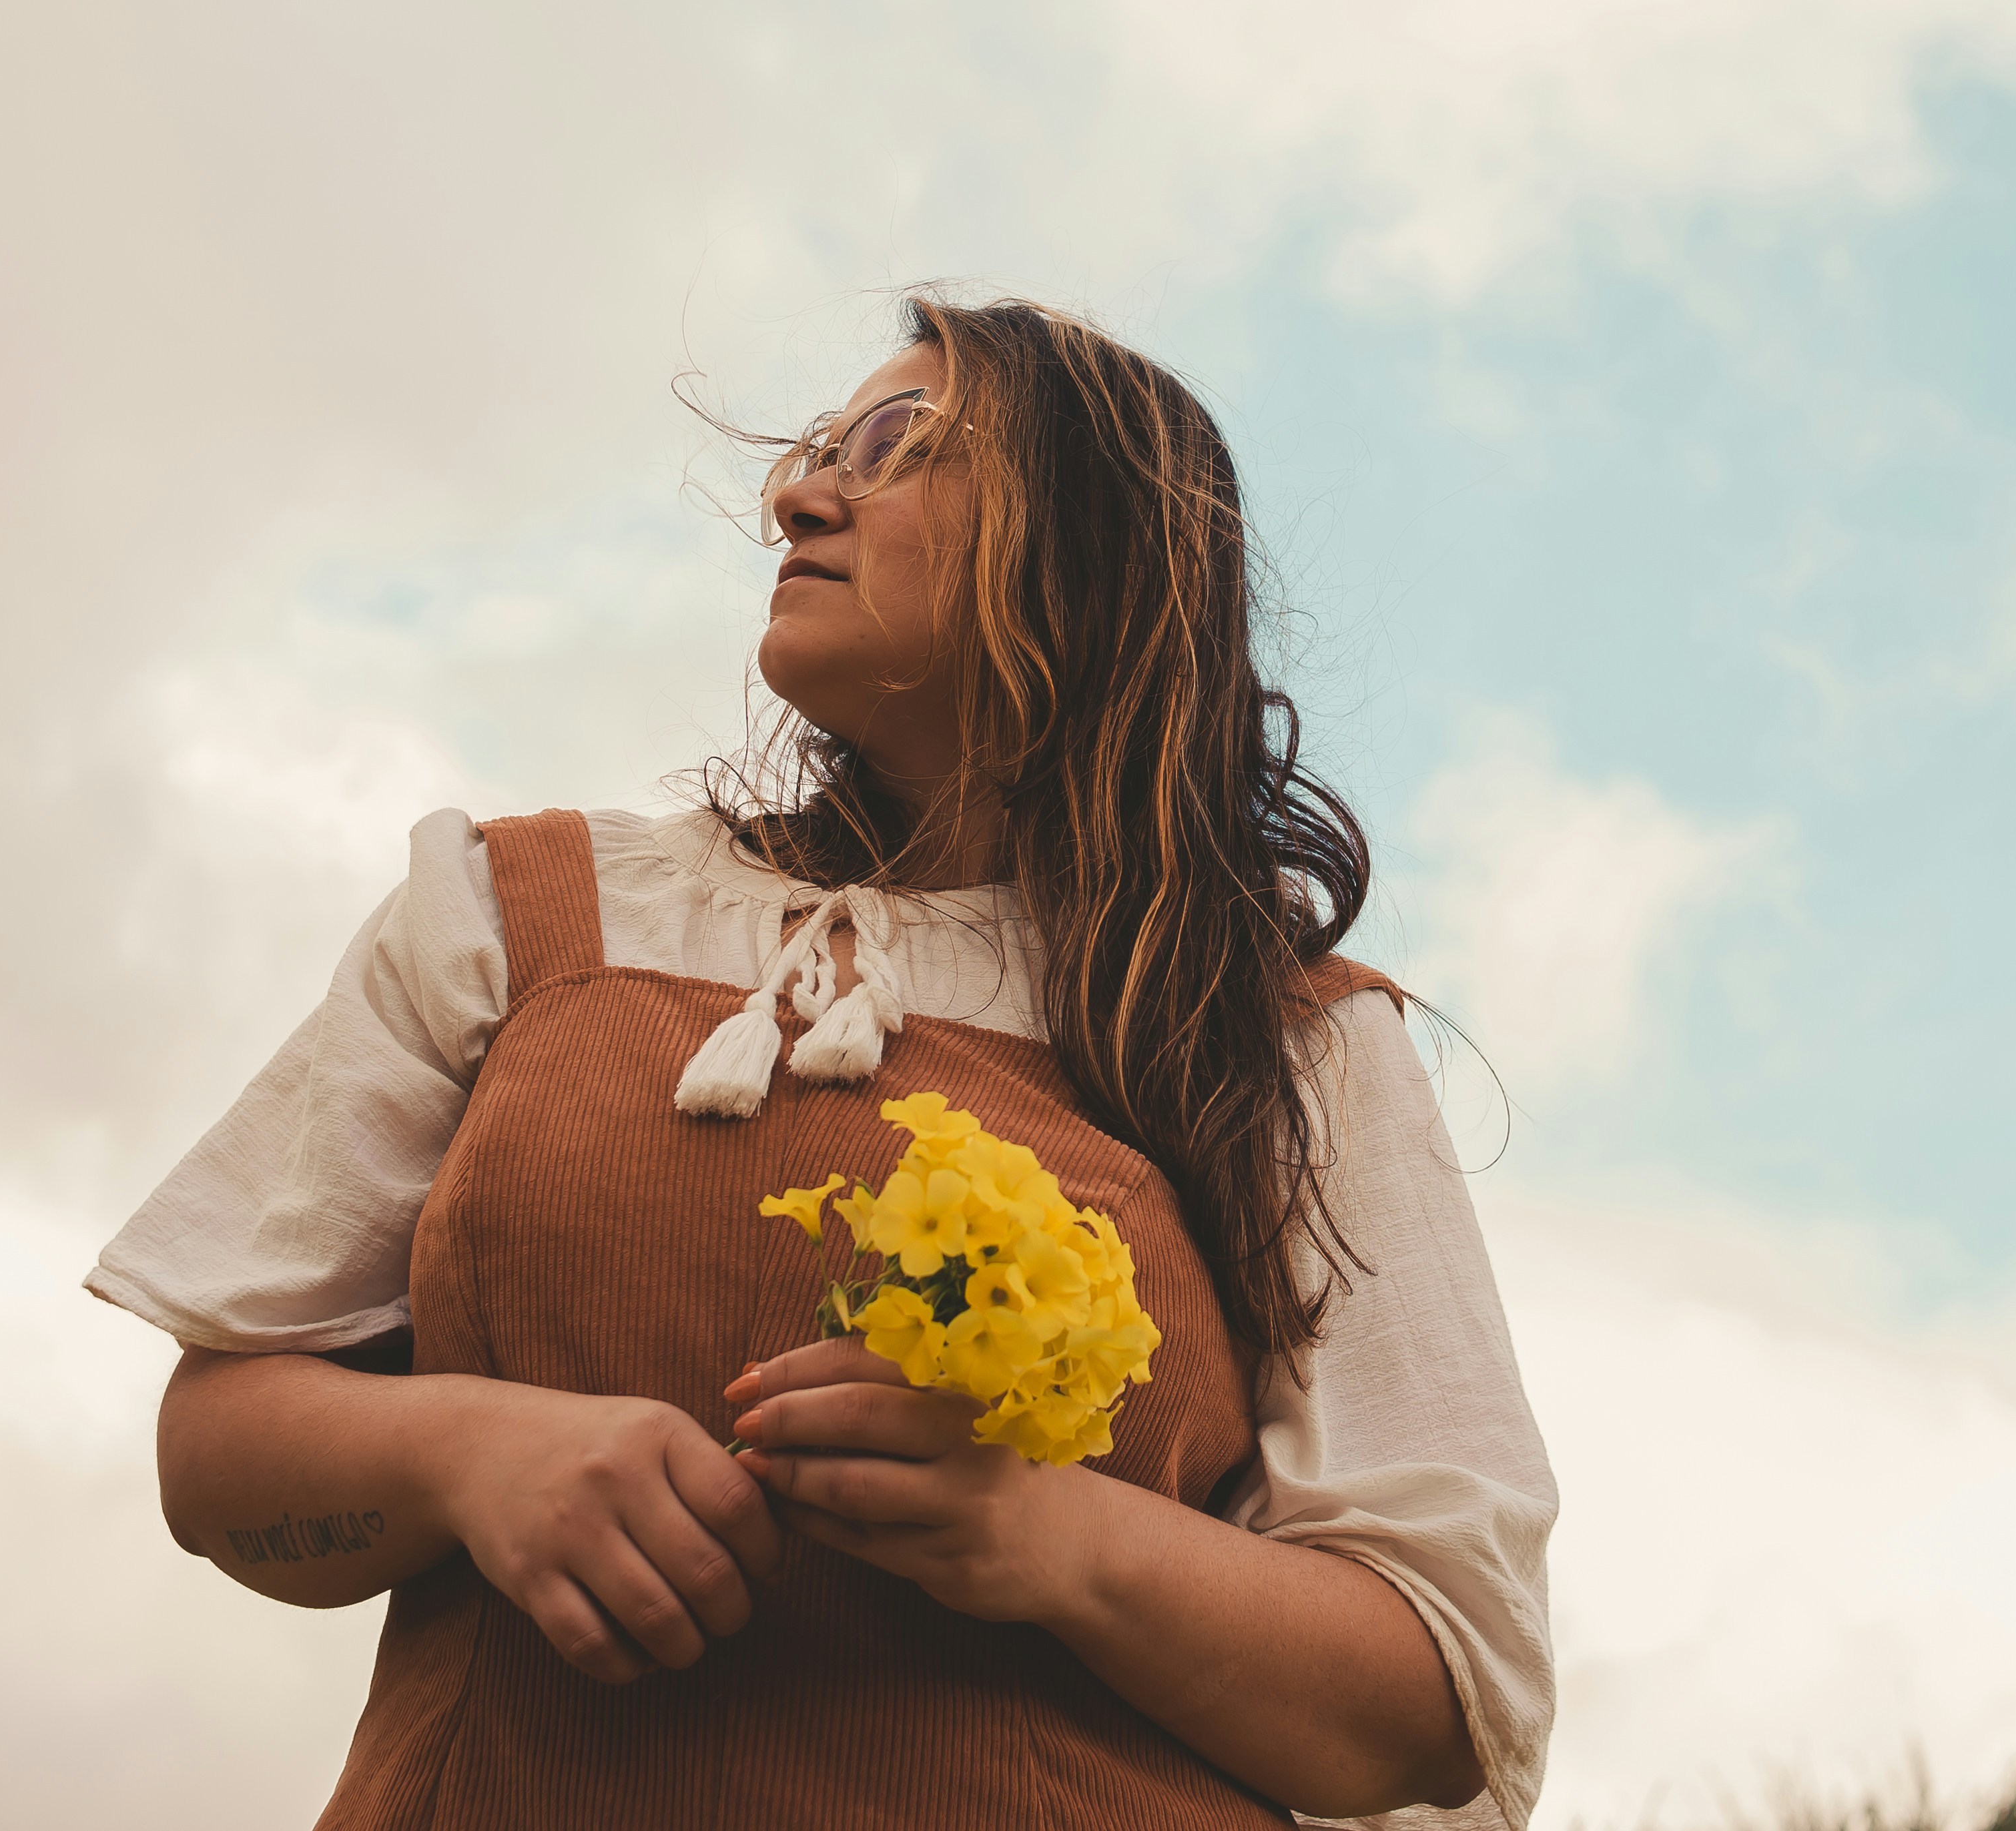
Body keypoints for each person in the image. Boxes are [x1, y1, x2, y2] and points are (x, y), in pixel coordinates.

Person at [87, 294, 1558, 1828]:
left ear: (1094, 553)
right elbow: (219, 1451)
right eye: (812, 452)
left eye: (900, 448)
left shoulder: (1286, 1034)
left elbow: (1439, 1699)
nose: (799, 493)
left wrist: (1059, 1539)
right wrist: (461, 1448)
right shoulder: (515, 914)